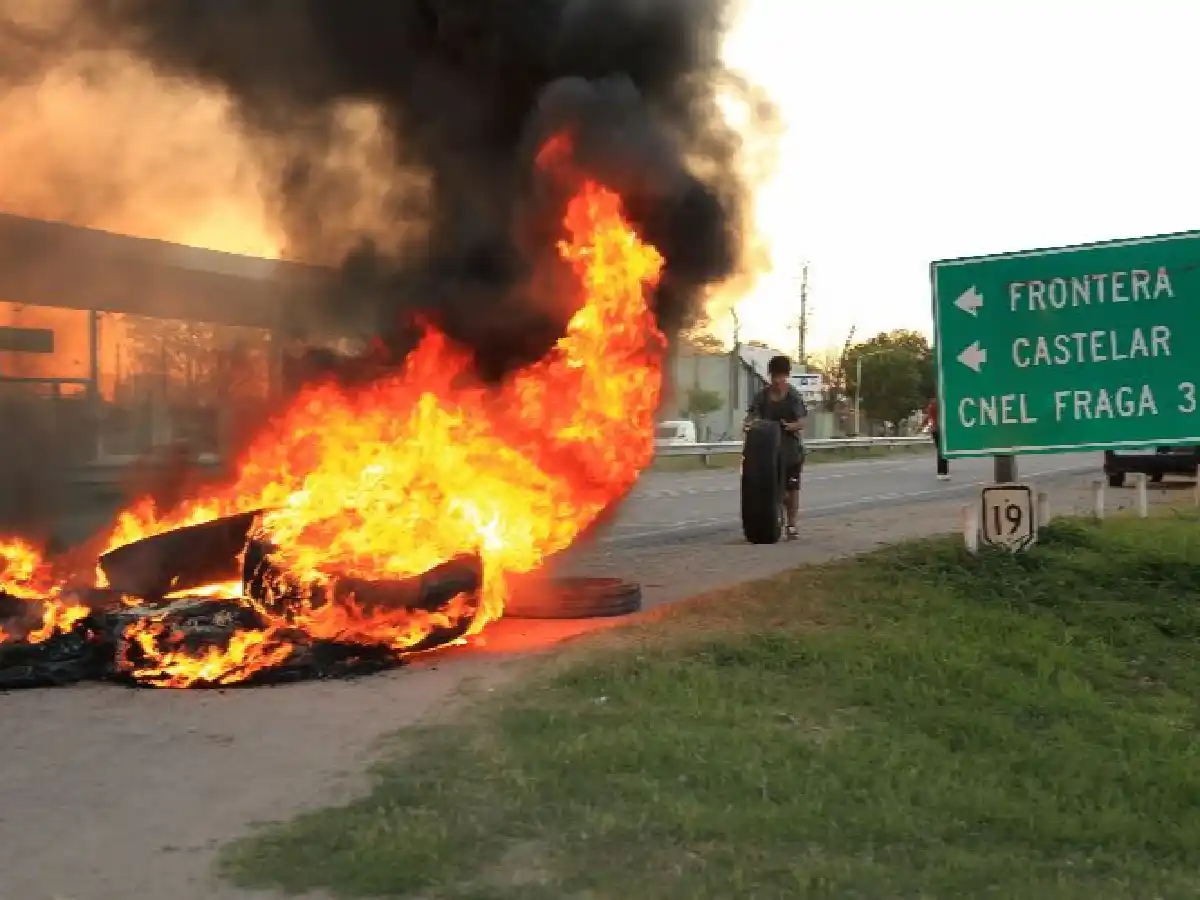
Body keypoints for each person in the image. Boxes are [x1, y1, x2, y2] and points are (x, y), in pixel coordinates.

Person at [745, 355, 808, 539]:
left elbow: (803, 421)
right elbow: (752, 416)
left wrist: (790, 426)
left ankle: (792, 524)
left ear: (786, 376)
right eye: (774, 376)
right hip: (765, 452)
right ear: (770, 376)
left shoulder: (793, 396)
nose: (777, 380)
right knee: (764, 489)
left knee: (792, 489)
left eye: (781, 376)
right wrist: (747, 423)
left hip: (790, 450)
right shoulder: (762, 396)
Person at [926, 395, 949, 480]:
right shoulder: (942, 403)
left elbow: (929, 418)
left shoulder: (931, 405)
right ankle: (943, 472)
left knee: (940, 450)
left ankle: (941, 472)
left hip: (935, 429)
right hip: (941, 429)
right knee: (943, 450)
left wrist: (921, 427)